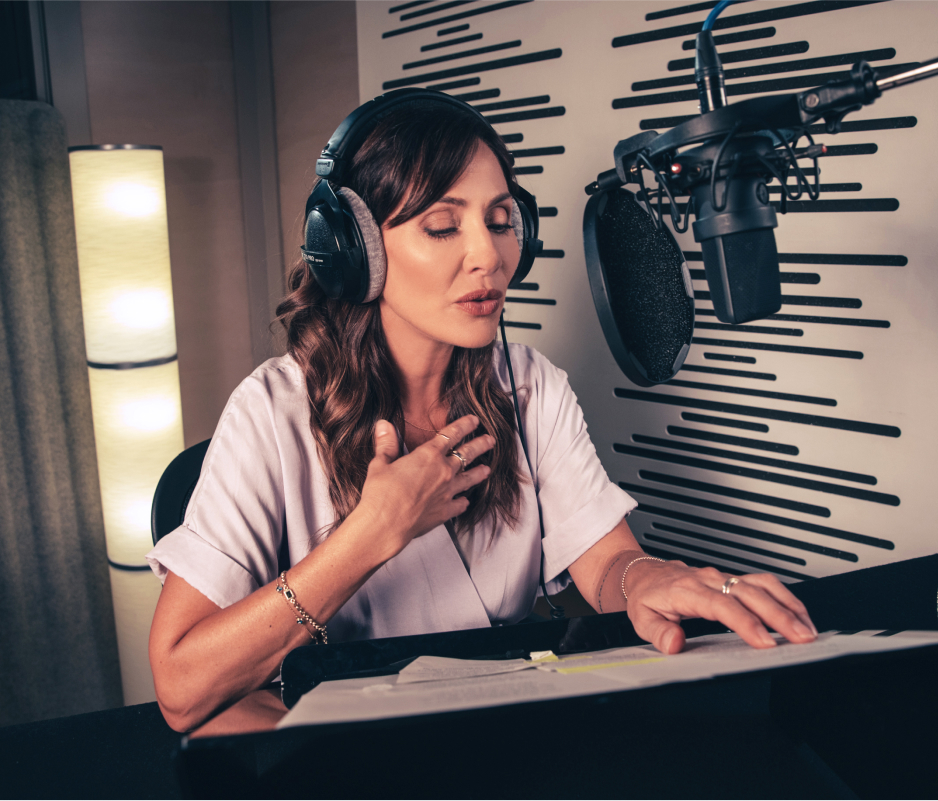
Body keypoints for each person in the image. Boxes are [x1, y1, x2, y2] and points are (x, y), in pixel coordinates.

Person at [146, 92, 817, 732]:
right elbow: (180, 688)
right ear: (357, 251)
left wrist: (647, 576)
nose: (489, 255)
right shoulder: (271, 411)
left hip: (510, 738)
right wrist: (372, 533)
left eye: (500, 220)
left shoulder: (531, 386)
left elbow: (608, 564)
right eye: (442, 225)